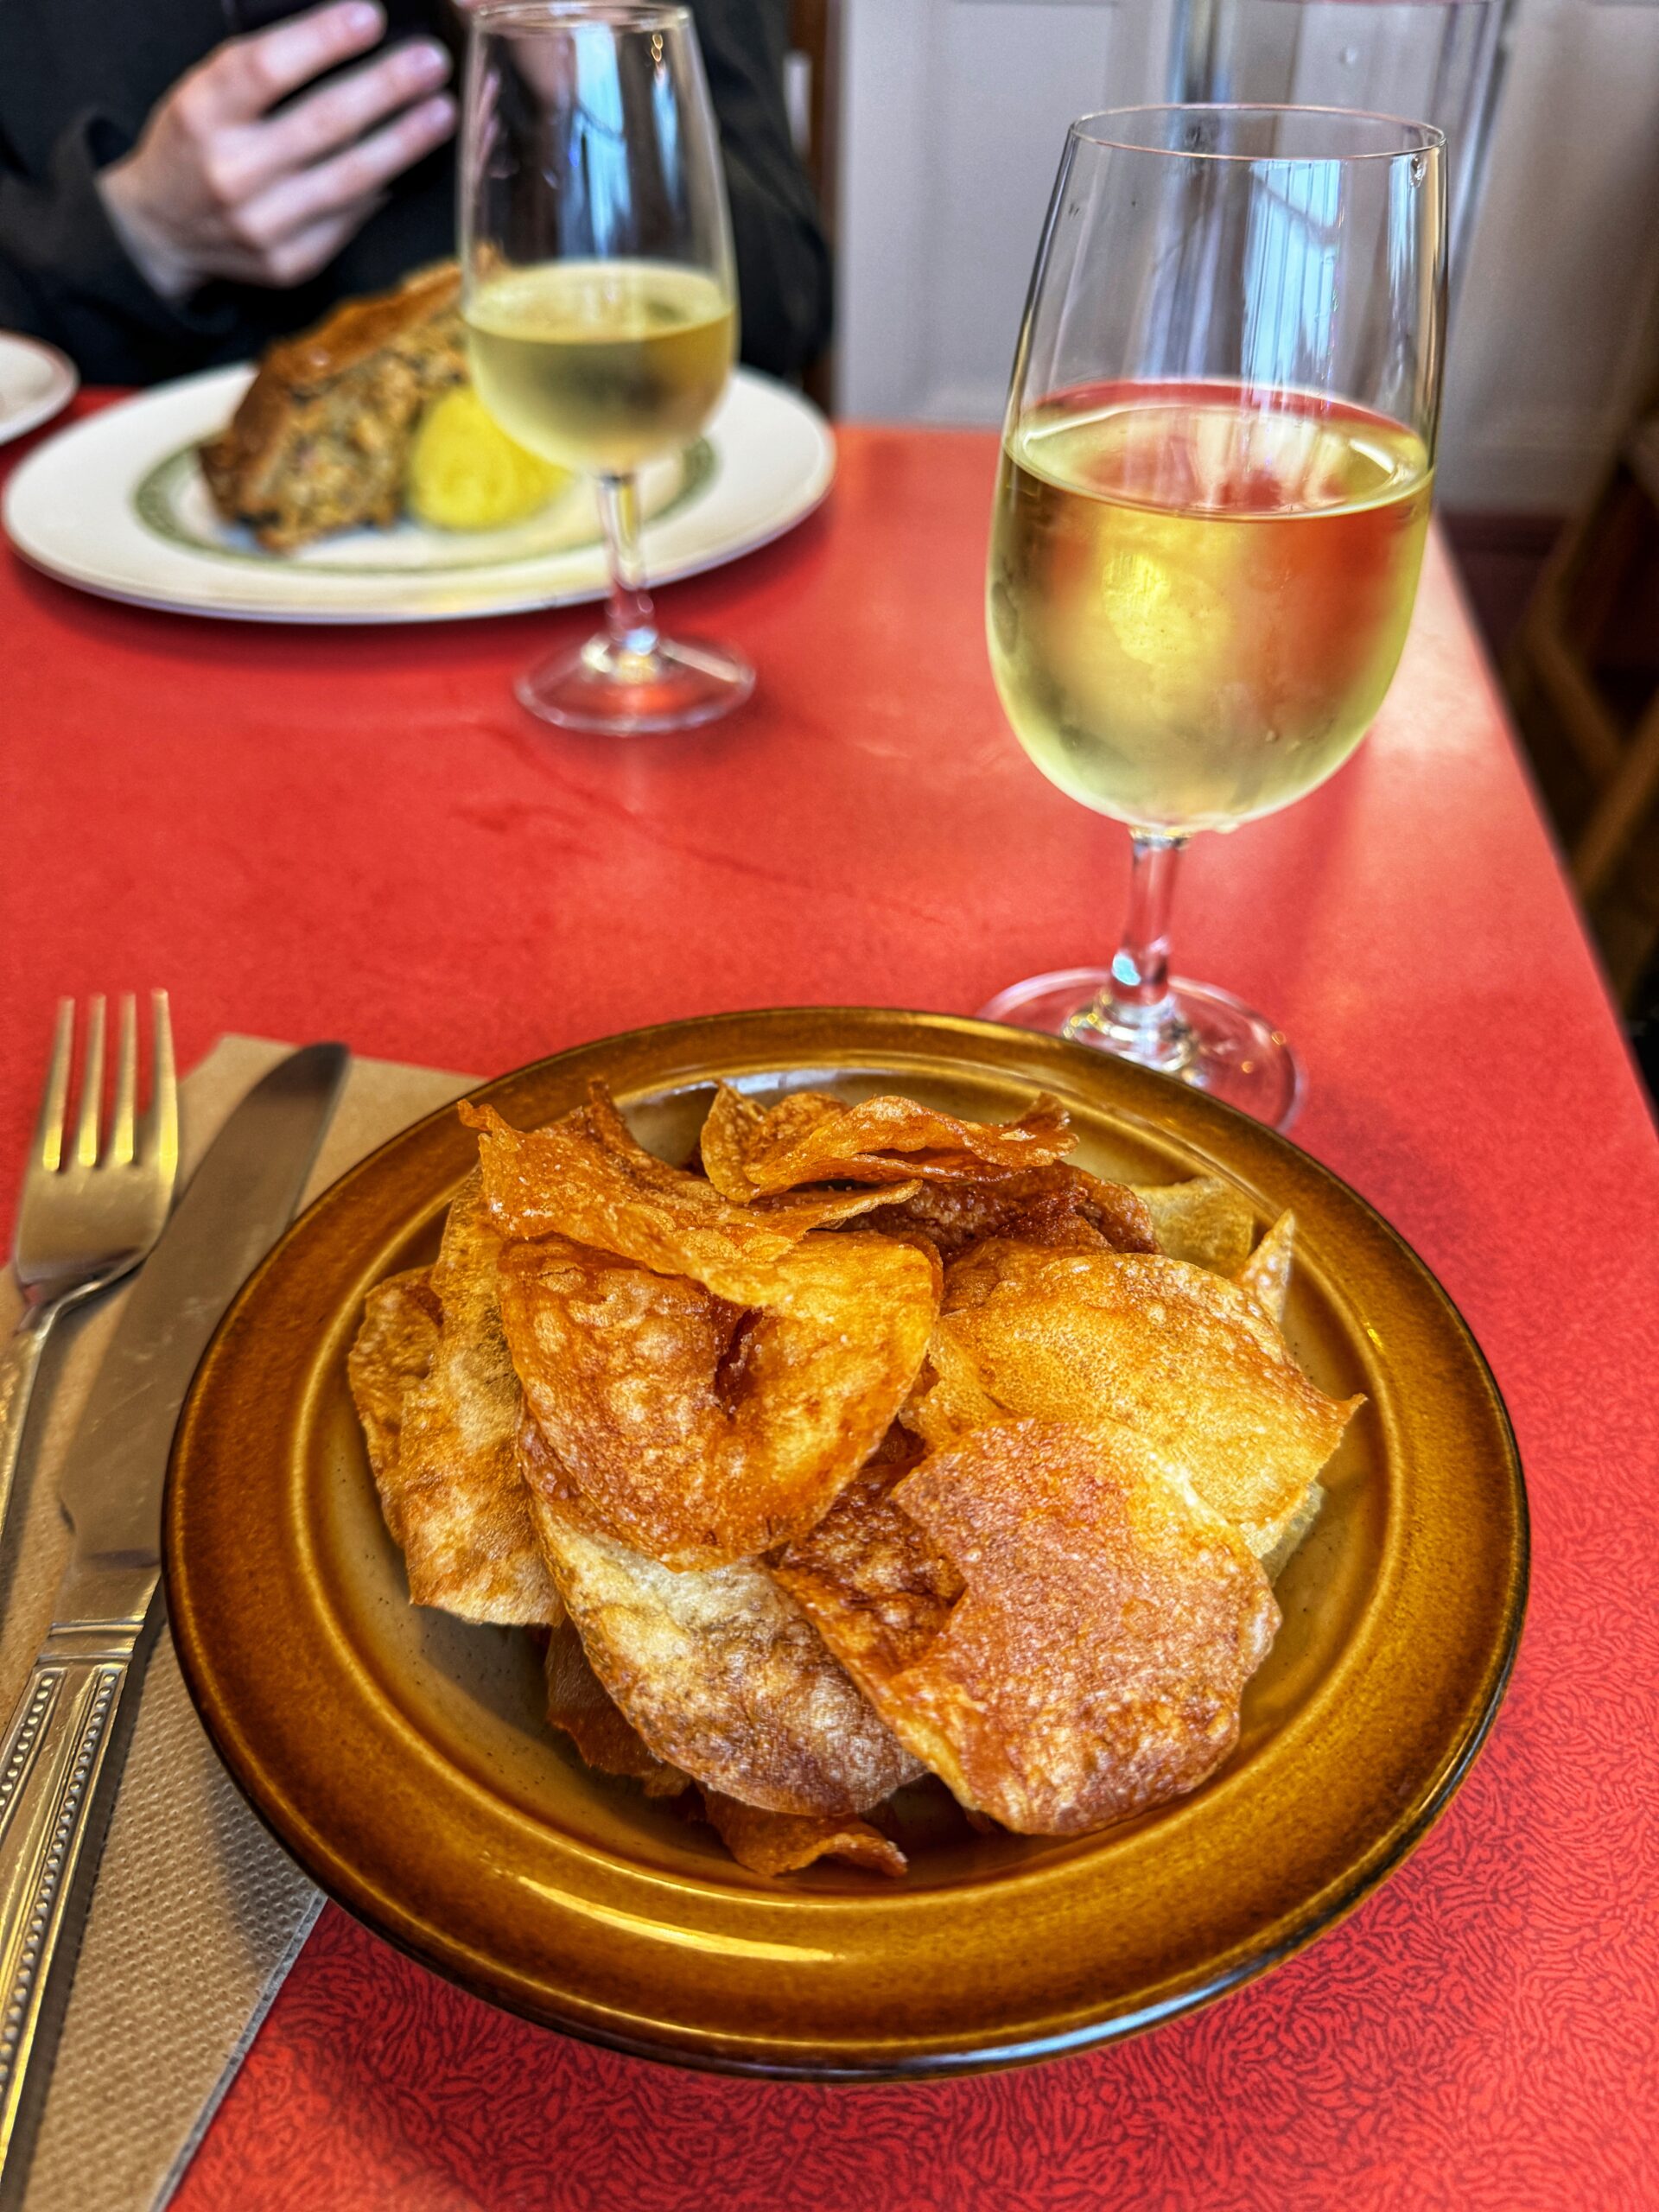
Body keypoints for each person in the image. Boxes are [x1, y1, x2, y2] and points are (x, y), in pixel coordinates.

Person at [0, 0, 830, 384]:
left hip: (569, 594)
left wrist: (582, 65)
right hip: (84, 631)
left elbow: (780, 306)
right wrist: (137, 239)